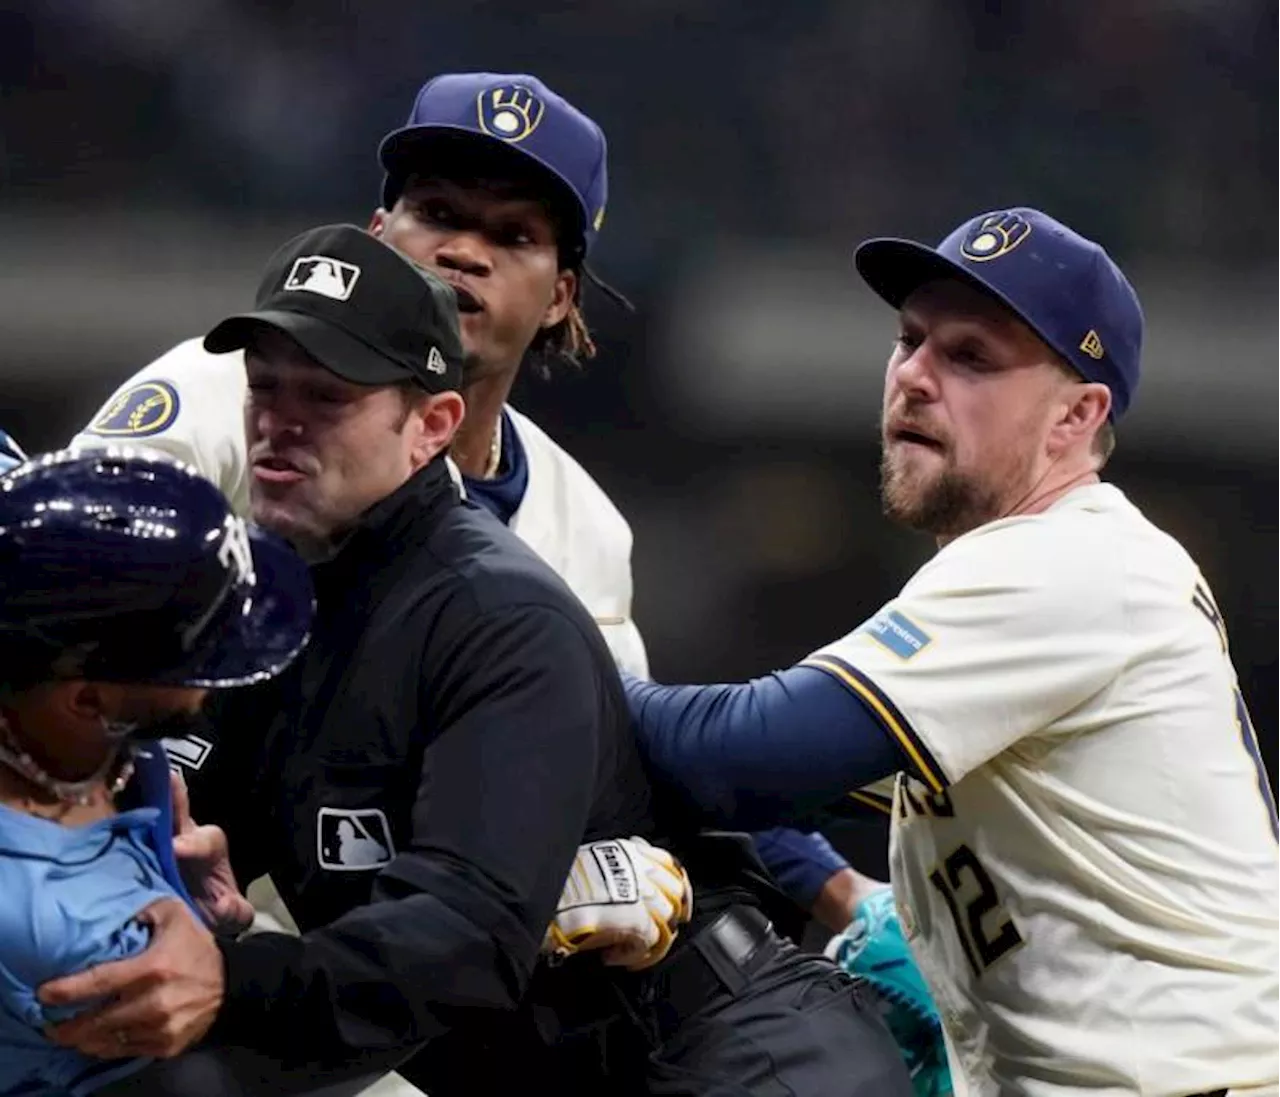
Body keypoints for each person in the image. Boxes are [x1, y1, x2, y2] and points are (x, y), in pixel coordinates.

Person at [44, 223, 914, 1096]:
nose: (281, 424)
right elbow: (187, 831)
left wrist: (233, 980)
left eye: (328, 397)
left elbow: (461, 940)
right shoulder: (265, 617)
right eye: (265, 390)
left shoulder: (498, 614)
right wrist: (198, 892)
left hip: (732, 1058)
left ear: (431, 426)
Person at [67, 72, 866, 947]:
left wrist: (805, 880)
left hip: (373, 974)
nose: (463, 252)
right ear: (379, 236)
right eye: (438, 213)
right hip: (109, 894)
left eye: (513, 235)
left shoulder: (583, 527)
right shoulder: (224, 396)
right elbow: (52, 590)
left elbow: (615, 755)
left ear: (562, 294)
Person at [624, 207, 1280, 1096]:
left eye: (971, 357)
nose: (915, 377)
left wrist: (553, 674)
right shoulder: (1045, 572)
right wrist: (844, 891)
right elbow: (773, 787)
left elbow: (749, 756)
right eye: (910, 340)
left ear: (1076, 415)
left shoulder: (1066, 561)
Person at [0, 447, 313, 1095]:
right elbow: (210, 1010)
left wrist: (192, 896)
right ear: (88, 700)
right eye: (197, 666)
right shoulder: (58, 925)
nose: (211, 686)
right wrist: (224, 951)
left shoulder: (78, 731)